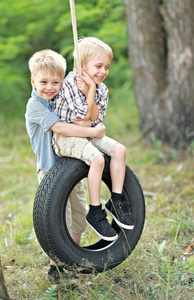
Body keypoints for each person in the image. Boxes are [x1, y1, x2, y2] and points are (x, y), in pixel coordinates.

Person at [25, 49, 106, 281]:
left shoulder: (60, 100)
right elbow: (60, 128)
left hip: (72, 168)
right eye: (43, 82)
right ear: (33, 81)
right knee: (59, 220)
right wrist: (92, 131)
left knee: (78, 214)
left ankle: (71, 261)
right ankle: (56, 268)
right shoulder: (36, 106)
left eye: (56, 82)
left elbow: (80, 111)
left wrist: (86, 88)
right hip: (51, 169)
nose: (49, 87)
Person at [52, 37, 134, 242]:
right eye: (98, 66)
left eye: (107, 67)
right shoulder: (69, 83)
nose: (103, 71)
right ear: (82, 65)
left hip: (88, 133)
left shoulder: (102, 88)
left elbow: (95, 118)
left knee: (119, 150)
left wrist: (92, 90)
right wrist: (89, 93)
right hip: (65, 137)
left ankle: (115, 201)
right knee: (97, 159)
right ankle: (95, 212)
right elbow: (84, 114)